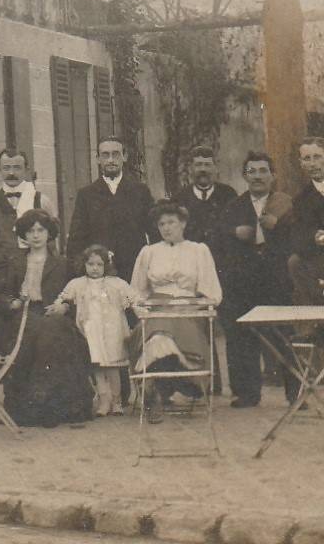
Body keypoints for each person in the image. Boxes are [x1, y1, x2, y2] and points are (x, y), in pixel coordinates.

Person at [0, 209, 94, 427]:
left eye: (41, 230)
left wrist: (64, 306)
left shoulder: (63, 263)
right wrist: (13, 302)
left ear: (49, 234)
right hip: (24, 315)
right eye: (30, 231)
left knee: (55, 331)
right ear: (24, 236)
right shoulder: (13, 261)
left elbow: (77, 294)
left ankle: (57, 406)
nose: (36, 235)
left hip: (53, 315)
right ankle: (35, 408)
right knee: (41, 332)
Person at [215, 151, 300, 407]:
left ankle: (295, 392)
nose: (258, 177)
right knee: (242, 335)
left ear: (273, 176)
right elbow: (219, 238)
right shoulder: (234, 206)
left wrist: (279, 225)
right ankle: (247, 393)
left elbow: (298, 237)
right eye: (252, 172)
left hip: (277, 278)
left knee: (284, 333)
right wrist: (234, 231)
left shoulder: (287, 205)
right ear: (244, 176)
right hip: (245, 280)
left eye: (263, 171)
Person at [130, 200, 223, 423]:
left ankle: (160, 386)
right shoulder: (148, 252)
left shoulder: (199, 250)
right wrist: (144, 311)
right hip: (157, 310)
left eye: (171, 222)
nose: (166, 228)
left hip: (189, 311)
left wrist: (190, 306)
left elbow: (213, 294)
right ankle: (152, 391)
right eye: (161, 224)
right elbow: (135, 293)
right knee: (156, 332)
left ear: (183, 223)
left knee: (163, 333)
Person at [51, 245, 139, 416]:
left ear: (106, 265)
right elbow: (63, 297)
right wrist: (59, 305)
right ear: (84, 265)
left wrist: (139, 310)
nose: (95, 268)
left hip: (112, 331)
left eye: (99, 264)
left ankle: (117, 401)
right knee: (97, 366)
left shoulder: (116, 283)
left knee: (113, 366)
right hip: (91, 331)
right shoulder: (78, 284)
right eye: (90, 264)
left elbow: (133, 298)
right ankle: (103, 400)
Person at [67, 137, 155, 276]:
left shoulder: (140, 191)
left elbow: (154, 231)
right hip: (99, 273)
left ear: (124, 157)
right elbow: (76, 240)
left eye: (115, 154)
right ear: (97, 159)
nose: (110, 160)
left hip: (135, 272)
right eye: (105, 155)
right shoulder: (86, 195)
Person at [0, 147, 54, 276]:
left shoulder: (42, 201)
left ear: (26, 170)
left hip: (37, 270)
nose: (11, 173)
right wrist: (1, 262)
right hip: (3, 272)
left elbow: (52, 239)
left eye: (17, 167)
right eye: (6, 168)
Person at [285, 137, 324, 308]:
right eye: (307, 159)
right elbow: (297, 238)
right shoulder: (301, 200)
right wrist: (313, 239)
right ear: (301, 164)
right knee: (296, 262)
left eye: (317, 157)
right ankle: (316, 319)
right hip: (320, 257)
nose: (313, 163)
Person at [172, 145, 237, 245]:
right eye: (198, 165)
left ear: (215, 168)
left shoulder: (228, 194)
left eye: (207, 165)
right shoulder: (180, 198)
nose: (203, 169)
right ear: (190, 168)